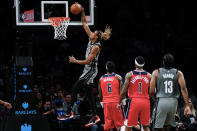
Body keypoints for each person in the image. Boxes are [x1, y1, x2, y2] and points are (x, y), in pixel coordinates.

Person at [69, 5, 112, 127]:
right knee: (89, 93)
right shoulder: (91, 39)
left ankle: (69, 111)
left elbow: (88, 61)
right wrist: (82, 11)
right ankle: (95, 116)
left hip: (91, 70)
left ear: (96, 37)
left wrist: (75, 61)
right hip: (88, 69)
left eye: (94, 32)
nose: (92, 32)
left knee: (75, 87)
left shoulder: (96, 46)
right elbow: (84, 23)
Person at [150, 53, 191, 131]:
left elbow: (151, 91)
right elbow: (184, 88)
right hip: (173, 102)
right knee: (167, 126)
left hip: (161, 100)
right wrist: (187, 105)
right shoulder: (178, 73)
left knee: (156, 127)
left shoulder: (156, 72)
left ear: (163, 62)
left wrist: (155, 100)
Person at [117, 56, 151, 131]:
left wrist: (119, 102)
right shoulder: (149, 75)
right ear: (143, 64)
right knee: (145, 126)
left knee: (128, 125)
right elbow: (152, 91)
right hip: (145, 101)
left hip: (133, 101)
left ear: (135, 64)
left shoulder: (130, 74)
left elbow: (124, 91)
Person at [98, 61, 124, 131]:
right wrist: (122, 101)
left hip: (106, 103)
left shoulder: (101, 78)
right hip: (116, 102)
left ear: (106, 68)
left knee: (109, 125)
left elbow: (100, 94)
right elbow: (122, 91)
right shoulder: (118, 77)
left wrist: (101, 102)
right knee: (119, 125)